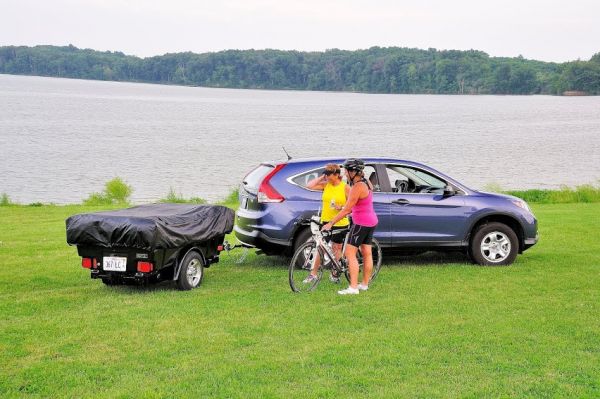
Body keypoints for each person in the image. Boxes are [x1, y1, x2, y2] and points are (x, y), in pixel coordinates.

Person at [322, 158, 378, 295]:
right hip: (371, 221)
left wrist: (330, 223)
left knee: (349, 253)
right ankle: (364, 284)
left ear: (353, 171)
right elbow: (361, 204)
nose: (345, 174)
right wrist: (345, 207)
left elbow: (347, 210)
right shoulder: (367, 183)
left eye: (346, 171)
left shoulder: (357, 187)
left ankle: (353, 287)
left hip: (361, 224)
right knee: (366, 253)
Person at [303, 163, 350, 284]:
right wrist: (321, 177)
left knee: (336, 247)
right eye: (326, 174)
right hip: (325, 221)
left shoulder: (345, 188)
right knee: (321, 247)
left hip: (340, 222)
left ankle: (335, 272)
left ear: (336, 174)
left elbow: (351, 206)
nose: (327, 176)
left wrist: (342, 207)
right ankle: (313, 274)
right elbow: (309, 186)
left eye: (329, 174)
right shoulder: (326, 185)